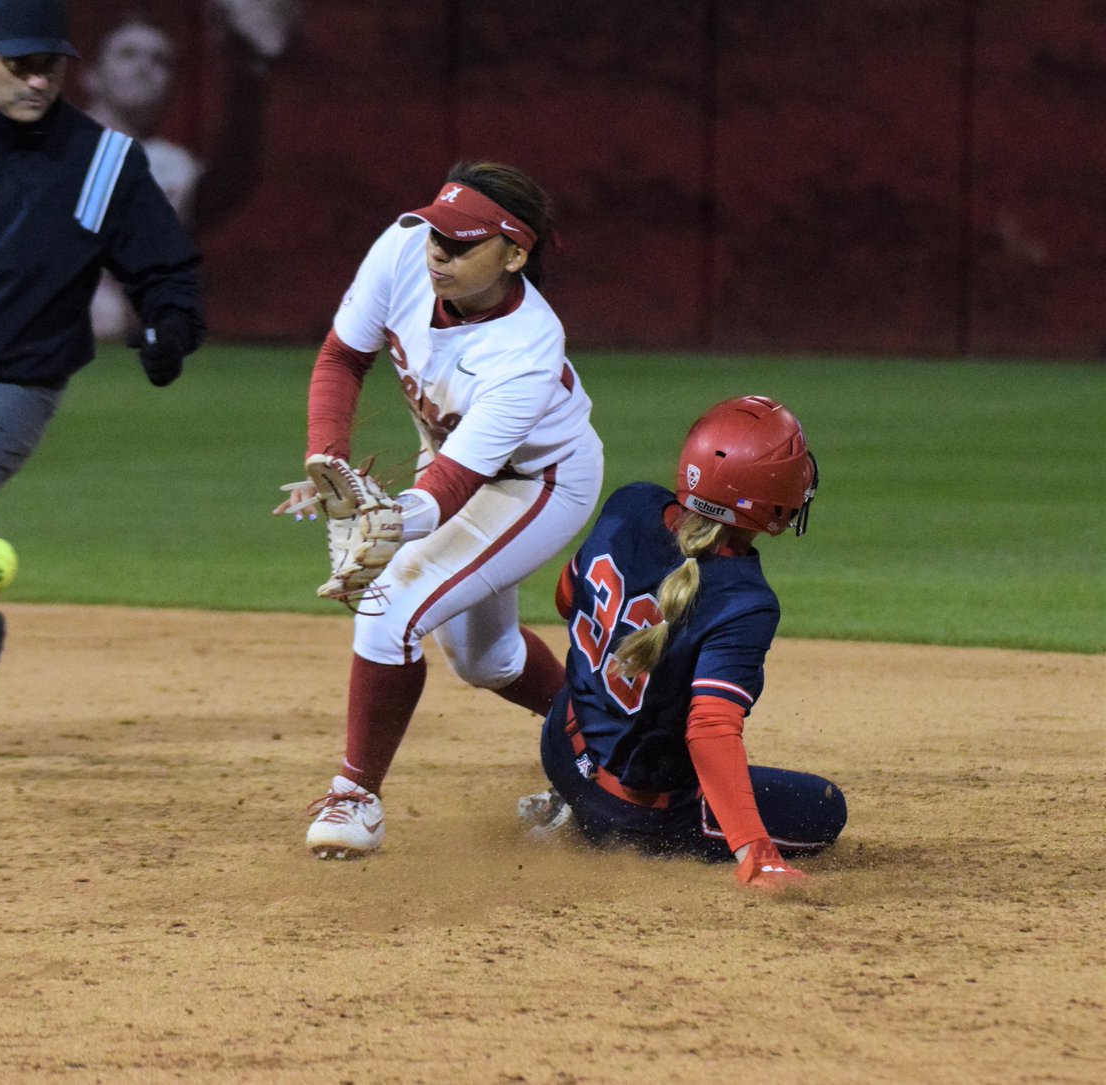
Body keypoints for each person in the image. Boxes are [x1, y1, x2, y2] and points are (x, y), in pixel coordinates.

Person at [277, 161, 605, 859]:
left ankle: (355, 794)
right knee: (487, 661)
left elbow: (452, 489)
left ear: (515, 254)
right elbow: (341, 358)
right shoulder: (402, 249)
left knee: (393, 603)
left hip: (536, 482)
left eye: (462, 244)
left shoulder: (527, 348)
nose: (438, 252)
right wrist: (331, 464)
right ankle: (613, 755)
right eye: (438, 235)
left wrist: (386, 519)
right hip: (452, 465)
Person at [0, 0, 205, 754]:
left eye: (53, 64)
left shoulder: (102, 161)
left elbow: (168, 270)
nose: (40, 79)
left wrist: (171, 329)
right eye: (21, 62)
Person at [517, 395, 847, 891]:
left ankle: (566, 801)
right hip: (628, 816)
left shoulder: (630, 504)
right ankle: (591, 823)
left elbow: (567, 598)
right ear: (771, 498)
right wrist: (756, 853)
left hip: (561, 747)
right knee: (824, 807)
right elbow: (710, 728)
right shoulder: (744, 599)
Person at [80, 2, 298, 340]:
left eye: (160, 61)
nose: (143, 68)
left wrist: (251, 71)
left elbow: (228, 185)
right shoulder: (50, 145)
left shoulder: (171, 165)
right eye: (128, 54)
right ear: (91, 76)